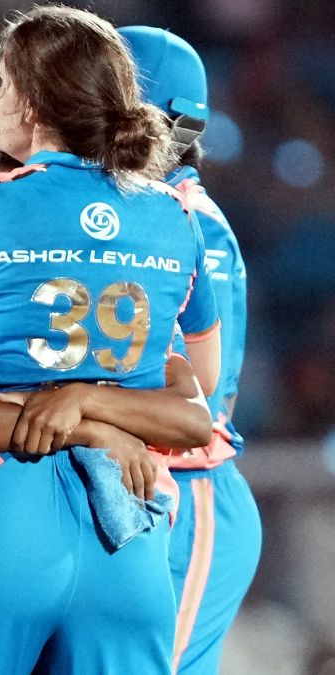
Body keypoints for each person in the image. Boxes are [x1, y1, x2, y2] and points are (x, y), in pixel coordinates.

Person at [0, 6, 221, 673]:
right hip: (130, 536)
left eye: (3, 81)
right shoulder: (177, 216)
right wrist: (100, 407)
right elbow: (201, 380)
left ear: (28, 102)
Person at [120, 25, 261, 675]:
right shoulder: (126, 216)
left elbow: (193, 393)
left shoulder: (191, 222)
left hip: (185, 488)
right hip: (131, 490)